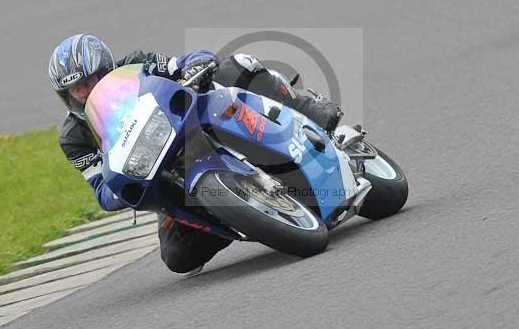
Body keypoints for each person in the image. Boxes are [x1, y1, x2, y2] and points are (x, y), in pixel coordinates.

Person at [48, 34, 342, 274]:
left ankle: (308, 111)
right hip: (164, 173)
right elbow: (100, 189)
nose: (84, 92)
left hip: (199, 123)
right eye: (74, 90)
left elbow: (184, 62)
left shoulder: (137, 66)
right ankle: (239, 216)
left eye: (87, 82)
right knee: (177, 257)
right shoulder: (74, 138)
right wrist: (119, 189)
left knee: (236, 67)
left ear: (105, 67)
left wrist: (196, 64)